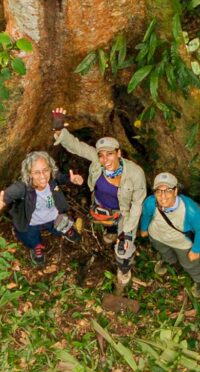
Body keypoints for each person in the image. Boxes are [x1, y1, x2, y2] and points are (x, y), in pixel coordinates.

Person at [51, 108, 147, 290]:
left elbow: (137, 205)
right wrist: (58, 129)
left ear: (118, 153)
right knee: (109, 226)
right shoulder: (97, 162)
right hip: (103, 207)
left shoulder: (135, 173)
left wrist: (126, 232)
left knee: (124, 248)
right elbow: (76, 146)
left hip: (125, 214)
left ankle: (124, 269)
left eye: (109, 154)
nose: (105, 159)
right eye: (101, 155)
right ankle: (110, 232)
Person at [0, 151, 83, 266]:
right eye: (36, 172)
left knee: (62, 224)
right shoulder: (22, 187)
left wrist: (71, 179)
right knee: (30, 238)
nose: (42, 176)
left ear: (51, 169)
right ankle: (35, 247)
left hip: (53, 217)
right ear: (29, 174)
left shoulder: (52, 179)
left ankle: (66, 230)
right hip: (31, 222)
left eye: (46, 170)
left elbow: (61, 178)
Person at [140, 172, 200, 298]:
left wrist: (195, 249)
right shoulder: (151, 203)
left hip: (181, 243)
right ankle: (169, 262)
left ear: (176, 191)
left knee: (190, 264)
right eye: (158, 191)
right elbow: (146, 215)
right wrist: (144, 228)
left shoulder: (189, 210)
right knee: (164, 252)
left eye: (168, 190)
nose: (163, 196)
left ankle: (199, 280)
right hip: (158, 236)